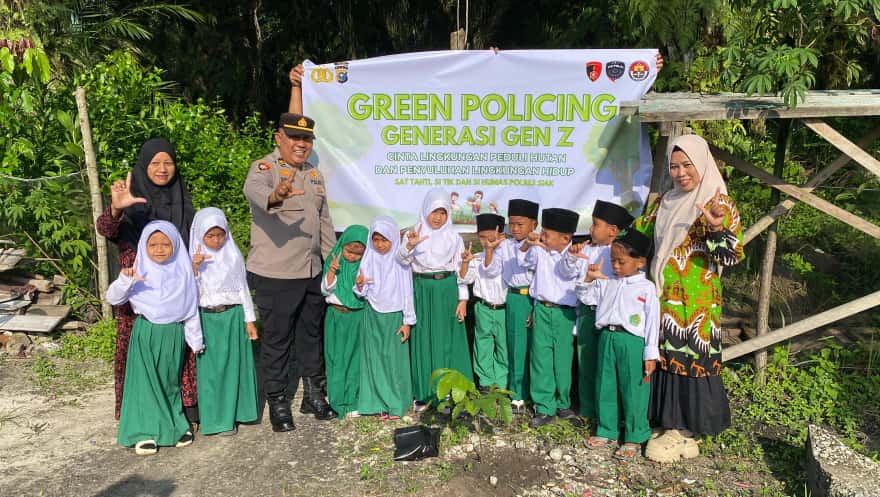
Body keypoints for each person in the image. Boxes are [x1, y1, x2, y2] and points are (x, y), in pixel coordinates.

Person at [636, 134, 744, 462]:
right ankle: (669, 423)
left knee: (692, 359)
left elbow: (731, 255)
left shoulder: (718, 202)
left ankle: (686, 430)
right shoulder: (664, 201)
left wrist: (714, 229)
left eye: (687, 165)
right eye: (674, 166)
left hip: (697, 304)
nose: (681, 173)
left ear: (702, 164)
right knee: (667, 358)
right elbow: (637, 237)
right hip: (664, 298)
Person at [243, 113, 337, 432]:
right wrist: (277, 195)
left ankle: (313, 394)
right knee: (278, 340)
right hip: (276, 274)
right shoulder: (264, 168)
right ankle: (278, 401)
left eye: (306, 139)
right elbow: (256, 193)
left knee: (311, 335)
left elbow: (323, 222)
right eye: (294, 137)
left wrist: (330, 264)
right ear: (278, 137)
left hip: (311, 272)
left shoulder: (314, 174)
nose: (301, 144)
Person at [96, 138, 198, 423]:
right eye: (155, 163)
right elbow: (105, 228)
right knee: (138, 352)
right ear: (144, 165)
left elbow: (195, 238)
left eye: (168, 162)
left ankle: (185, 407)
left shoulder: (182, 198)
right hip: (138, 287)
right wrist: (117, 208)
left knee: (180, 347)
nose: (163, 169)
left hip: (176, 289)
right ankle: (139, 412)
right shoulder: (131, 199)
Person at [106, 221, 203, 456]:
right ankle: (143, 433)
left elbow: (191, 310)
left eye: (165, 244)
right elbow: (113, 298)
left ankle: (174, 427)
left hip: (173, 335)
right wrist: (125, 280)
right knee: (145, 385)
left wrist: (196, 340)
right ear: (144, 246)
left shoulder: (183, 273)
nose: (159, 249)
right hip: (146, 333)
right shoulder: (138, 270)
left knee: (169, 383)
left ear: (175, 245)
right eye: (153, 245)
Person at [579, 229, 659, 459]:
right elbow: (586, 298)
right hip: (606, 337)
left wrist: (650, 354)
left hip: (632, 342)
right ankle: (607, 429)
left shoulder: (646, 288)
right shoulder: (607, 282)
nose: (615, 266)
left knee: (634, 388)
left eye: (621, 262)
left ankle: (635, 435)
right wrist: (589, 278)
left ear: (640, 262)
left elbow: (653, 322)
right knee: (605, 384)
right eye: (613, 261)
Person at [399, 188, 472, 410]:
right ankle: (424, 392)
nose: (438, 217)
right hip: (422, 289)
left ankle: (451, 393)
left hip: (447, 289)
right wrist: (409, 245)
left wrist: (463, 299)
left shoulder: (454, 238)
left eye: (442, 212)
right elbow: (401, 262)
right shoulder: (413, 233)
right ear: (425, 210)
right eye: (434, 212)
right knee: (424, 337)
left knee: (447, 338)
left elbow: (461, 269)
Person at [560, 199, 634, 419]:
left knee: (606, 366)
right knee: (586, 362)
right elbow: (567, 274)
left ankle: (609, 413)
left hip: (610, 315)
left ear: (612, 231)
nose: (590, 229)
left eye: (595, 224)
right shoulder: (584, 249)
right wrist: (572, 256)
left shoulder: (620, 254)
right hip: (587, 313)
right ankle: (588, 409)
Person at [189, 208, 259, 436]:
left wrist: (249, 320)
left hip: (233, 317)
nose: (217, 240)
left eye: (221, 235)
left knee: (233, 366)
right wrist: (194, 268)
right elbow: (189, 294)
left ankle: (237, 414)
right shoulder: (193, 259)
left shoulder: (232, 256)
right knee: (212, 371)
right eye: (210, 236)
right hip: (208, 320)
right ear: (200, 235)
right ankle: (216, 419)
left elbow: (242, 288)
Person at [518, 208, 581, 427]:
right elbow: (524, 262)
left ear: (566, 238)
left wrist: (571, 256)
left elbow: (567, 272)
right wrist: (530, 243)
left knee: (562, 360)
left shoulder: (576, 256)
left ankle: (562, 403)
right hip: (542, 309)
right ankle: (544, 406)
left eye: (548, 234)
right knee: (540, 358)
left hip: (565, 312)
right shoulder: (539, 251)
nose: (543, 237)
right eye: (542, 232)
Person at [354, 216, 415, 419]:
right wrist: (361, 285)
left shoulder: (399, 261)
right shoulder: (369, 257)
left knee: (393, 361)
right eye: (376, 240)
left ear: (392, 240)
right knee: (375, 359)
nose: (379, 245)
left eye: (384, 240)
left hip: (394, 316)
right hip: (372, 313)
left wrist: (407, 321)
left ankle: (396, 403)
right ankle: (377, 402)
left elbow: (407, 291)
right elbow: (360, 289)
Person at [495, 199, 540, 410]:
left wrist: (533, 306)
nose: (514, 228)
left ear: (534, 224)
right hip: (514, 298)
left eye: (520, 224)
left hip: (533, 299)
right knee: (516, 347)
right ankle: (517, 393)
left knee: (536, 348)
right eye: (511, 223)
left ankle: (535, 391)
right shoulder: (505, 245)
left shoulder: (539, 247)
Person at [322, 225, 369, 418]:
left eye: (358, 254)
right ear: (342, 246)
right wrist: (332, 272)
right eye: (349, 251)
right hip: (336, 316)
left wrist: (360, 285)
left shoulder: (365, 267)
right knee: (336, 358)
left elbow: (366, 294)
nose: (352, 257)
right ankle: (336, 400)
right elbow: (325, 290)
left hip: (357, 316)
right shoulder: (334, 261)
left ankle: (353, 400)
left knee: (354, 359)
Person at [458, 214, 508, 391]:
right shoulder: (477, 258)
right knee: (483, 345)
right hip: (483, 307)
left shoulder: (508, 257)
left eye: (491, 237)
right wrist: (465, 263)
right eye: (482, 237)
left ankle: (501, 383)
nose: (487, 241)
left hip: (503, 310)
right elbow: (464, 278)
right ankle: (485, 382)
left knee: (504, 347)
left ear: (502, 235)